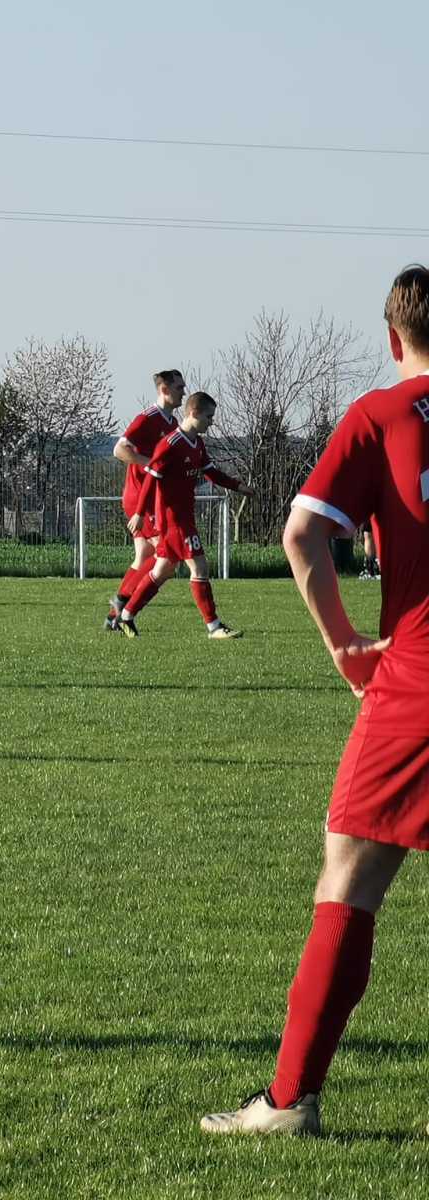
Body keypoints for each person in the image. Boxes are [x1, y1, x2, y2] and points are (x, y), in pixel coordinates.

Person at [199, 265, 429, 1136]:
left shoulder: (381, 415)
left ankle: (290, 1101)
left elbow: (302, 534)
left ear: (393, 338)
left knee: (350, 878)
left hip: (416, 677)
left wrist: (342, 644)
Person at [117, 392, 254, 638]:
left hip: (184, 517)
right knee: (200, 567)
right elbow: (150, 479)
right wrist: (139, 514)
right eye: (209, 417)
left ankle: (126, 616)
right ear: (194, 413)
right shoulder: (170, 444)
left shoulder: (197, 444)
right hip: (174, 520)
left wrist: (238, 486)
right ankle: (214, 627)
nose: (211, 422)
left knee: (162, 570)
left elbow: (211, 472)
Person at [106, 371, 185, 629]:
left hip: (151, 497)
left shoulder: (172, 423)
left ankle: (113, 615)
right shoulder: (147, 418)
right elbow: (119, 449)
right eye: (179, 387)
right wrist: (150, 464)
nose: (183, 392)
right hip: (141, 497)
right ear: (164, 389)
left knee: (144, 556)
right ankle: (123, 608)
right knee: (168, 555)